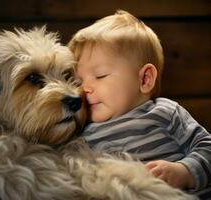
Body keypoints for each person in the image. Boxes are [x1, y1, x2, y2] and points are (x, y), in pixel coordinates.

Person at [68, 10, 211, 199]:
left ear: (145, 79)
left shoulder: (164, 112)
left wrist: (185, 171)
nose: (84, 89)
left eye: (100, 75)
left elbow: (207, 147)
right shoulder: (82, 132)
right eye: (77, 82)